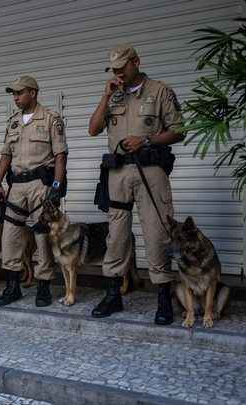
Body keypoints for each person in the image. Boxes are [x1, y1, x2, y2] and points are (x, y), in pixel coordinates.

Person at [88, 44, 184, 324]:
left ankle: (163, 297)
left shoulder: (160, 91)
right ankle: (113, 294)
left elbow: (179, 130)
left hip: (150, 170)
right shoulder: (113, 94)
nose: (117, 74)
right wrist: (106, 97)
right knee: (116, 235)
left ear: (136, 62)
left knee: (157, 233)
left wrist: (146, 140)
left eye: (121, 68)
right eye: (113, 70)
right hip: (118, 173)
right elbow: (93, 129)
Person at [0, 76, 68, 307]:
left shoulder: (51, 119)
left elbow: (60, 155)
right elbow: (6, 154)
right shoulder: (12, 122)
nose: (15, 97)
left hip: (40, 185)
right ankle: (12, 286)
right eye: (13, 94)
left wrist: (56, 186)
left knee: (42, 235)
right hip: (16, 186)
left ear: (33, 93)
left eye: (19, 93)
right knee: (10, 236)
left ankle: (43, 286)